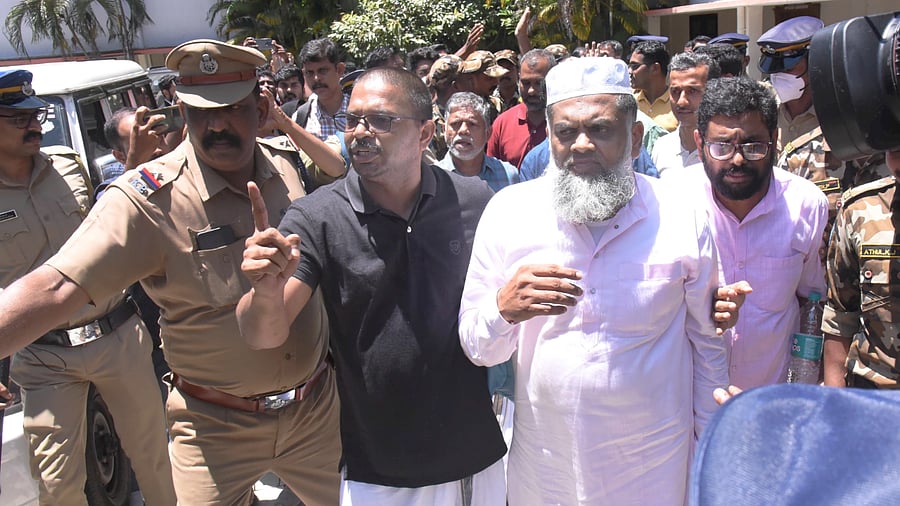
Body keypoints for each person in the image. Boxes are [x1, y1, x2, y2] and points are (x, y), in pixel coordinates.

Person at [0, 40, 342, 504]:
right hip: (213, 429)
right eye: (200, 112)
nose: (216, 124)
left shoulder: (286, 165)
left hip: (314, 414)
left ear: (260, 106)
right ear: (180, 107)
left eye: (231, 109)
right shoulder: (147, 199)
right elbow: (58, 284)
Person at [458, 56, 728, 504]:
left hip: (655, 466)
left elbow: (709, 345)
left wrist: (710, 453)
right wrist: (503, 310)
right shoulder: (509, 213)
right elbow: (477, 347)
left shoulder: (681, 214)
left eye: (601, 129)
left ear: (635, 137)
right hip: (547, 469)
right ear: (551, 135)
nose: (581, 144)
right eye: (566, 132)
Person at [237, 67, 507, 505]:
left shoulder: (475, 202)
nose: (360, 133)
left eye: (380, 120)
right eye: (353, 120)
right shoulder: (316, 217)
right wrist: (264, 291)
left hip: (474, 457)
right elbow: (263, 334)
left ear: (424, 134)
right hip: (379, 472)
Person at [0, 69, 176, 504]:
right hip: (43, 353)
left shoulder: (67, 164)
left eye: (35, 115)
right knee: (57, 483)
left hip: (115, 334)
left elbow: (110, 221)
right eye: (17, 118)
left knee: (155, 461)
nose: (34, 126)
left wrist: (135, 163)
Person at [687, 77, 827, 389]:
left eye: (753, 147)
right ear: (699, 144)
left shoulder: (806, 205)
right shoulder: (672, 202)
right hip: (691, 408)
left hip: (771, 400)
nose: (737, 160)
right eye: (722, 147)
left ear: (774, 140)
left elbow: (812, 300)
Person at [823, 148, 900, 388]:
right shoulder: (860, 210)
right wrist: (835, 406)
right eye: (896, 150)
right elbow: (840, 317)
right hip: (875, 400)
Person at [653, 52, 719, 177]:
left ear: (714, 92)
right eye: (675, 91)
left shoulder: (725, 151)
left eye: (692, 91)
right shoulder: (661, 147)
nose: (681, 101)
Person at [487, 48, 555, 169]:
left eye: (539, 83)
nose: (531, 91)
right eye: (526, 83)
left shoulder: (567, 124)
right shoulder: (502, 124)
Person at [437, 91, 518, 191]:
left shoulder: (508, 176)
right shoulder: (429, 179)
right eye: (455, 123)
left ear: (487, 133)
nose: (463, 130)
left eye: (472, 124)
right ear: (444, 129)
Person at [295, 37, 349, 140]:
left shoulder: (360, 112)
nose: (316, 78)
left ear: (340, 70)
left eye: (323, 71)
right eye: (309, 73)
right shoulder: (301, 118)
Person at [629, 40, 677, 132]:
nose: (630, 71)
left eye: (635, 66)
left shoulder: (677, 104)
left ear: (655, 68)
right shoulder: (630, 103)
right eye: (629, 65)